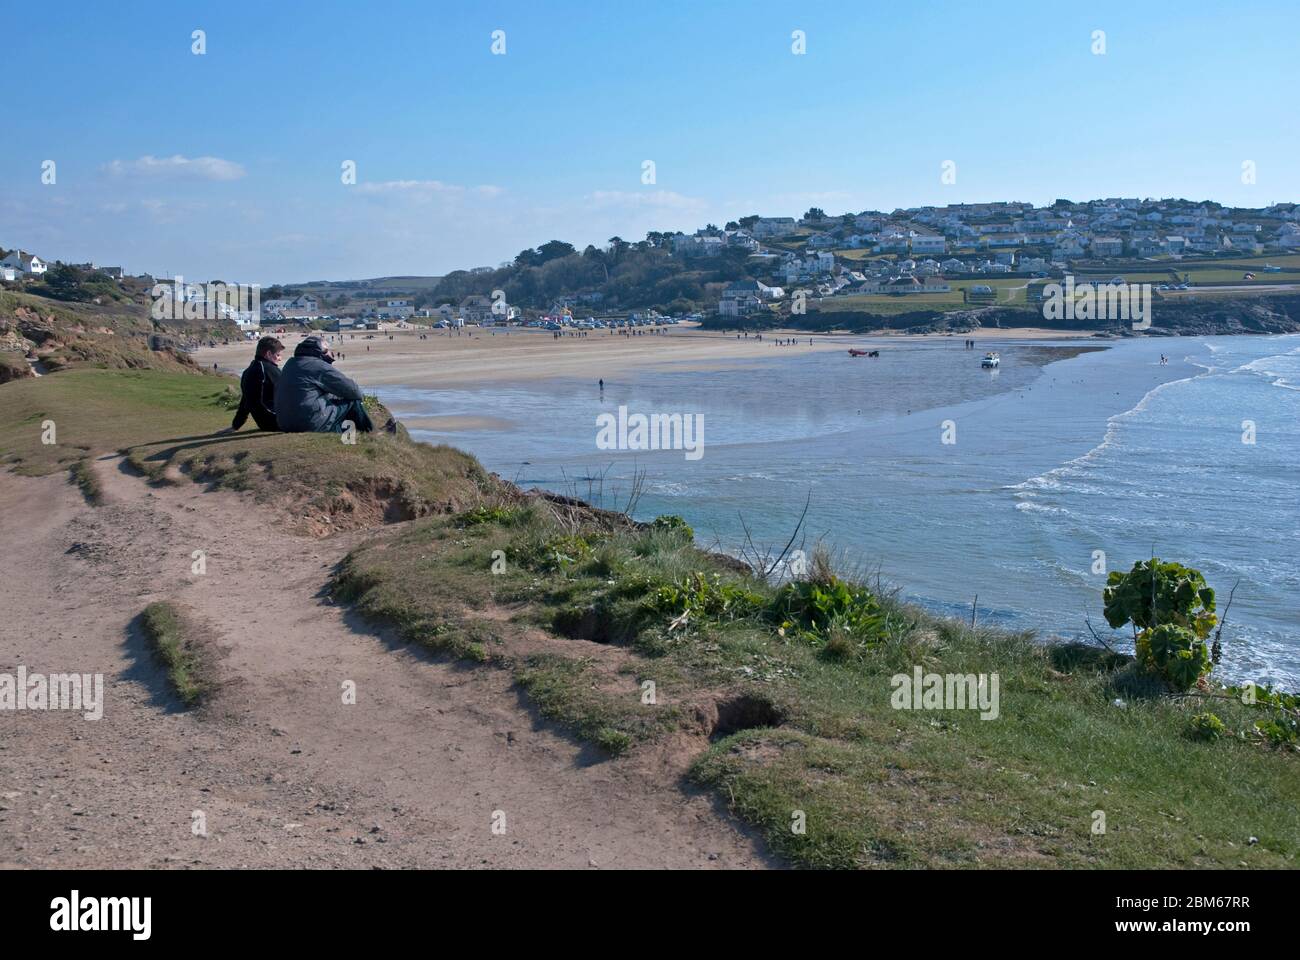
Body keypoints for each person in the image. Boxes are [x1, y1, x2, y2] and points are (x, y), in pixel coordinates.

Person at [276, 336, 382, 434]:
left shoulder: (291, 364)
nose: (330, 353)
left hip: (286, 424)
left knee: (334, 408)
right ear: (318, 352)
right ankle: (372, 433)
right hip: (308, 423)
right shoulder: (317, 365)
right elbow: (355, 392)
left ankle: (346, 432)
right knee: (353, 401)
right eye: (326, 351)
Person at [231, 336, 284, 431]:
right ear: (268, 354)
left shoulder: (248, 371)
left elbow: (245, 401)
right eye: (278, 355)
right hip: (277, 420)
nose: (280, 358)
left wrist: (236, 425)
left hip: (264, 424)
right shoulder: (269, 370)